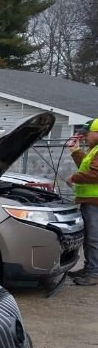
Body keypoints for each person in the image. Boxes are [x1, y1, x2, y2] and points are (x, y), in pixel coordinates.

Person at [67, 118, 98, 286]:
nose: (84, 137)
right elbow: (86, 168)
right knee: (89, 238)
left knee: (94, 239)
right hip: (90, 201)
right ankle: (90, 268)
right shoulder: (94, 150)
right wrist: (75, 151)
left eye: (87, 134)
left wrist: (74, 177)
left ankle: (94, 272)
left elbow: (95, 174)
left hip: (96, 203)